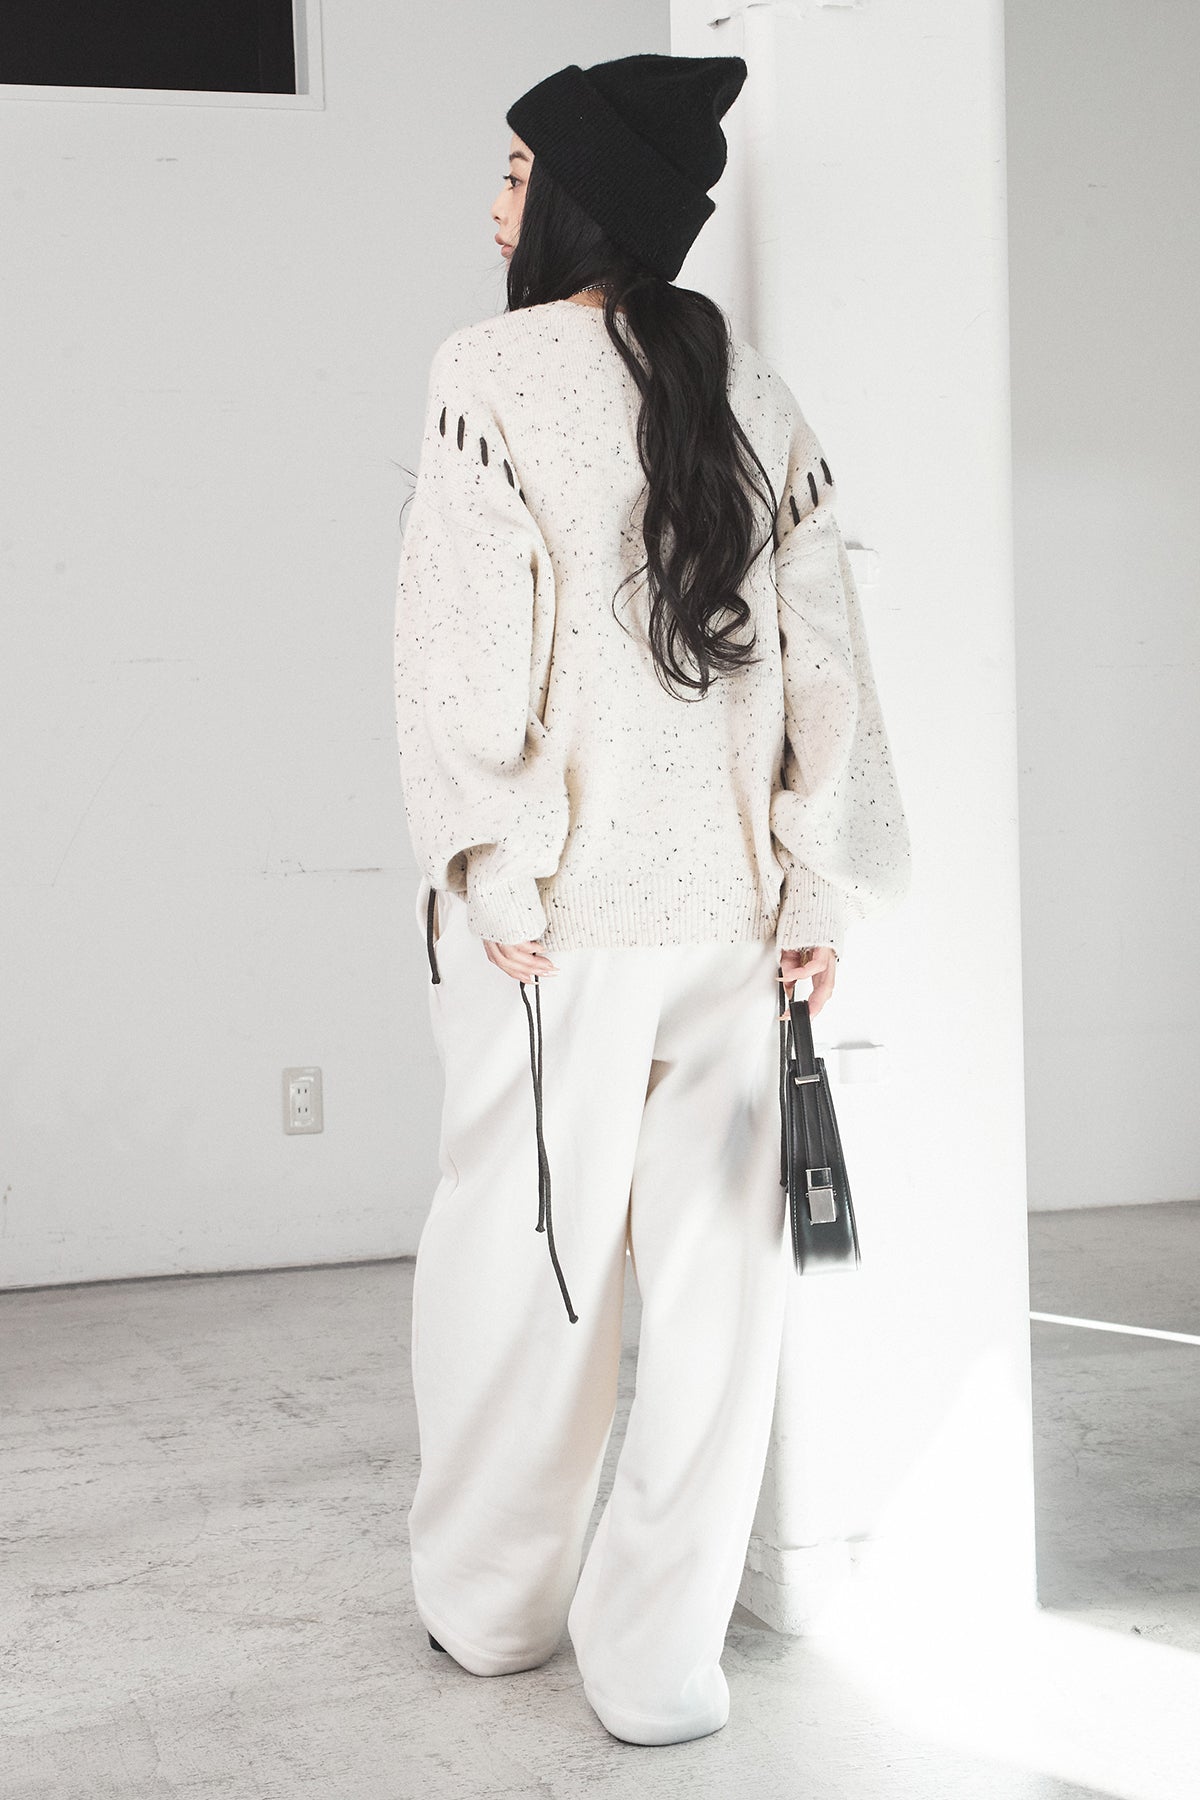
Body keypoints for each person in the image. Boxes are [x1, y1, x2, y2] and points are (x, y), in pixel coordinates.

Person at [393, 52, 912, 1747]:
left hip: (557, 927)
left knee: (526, 1268)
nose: (494, 204)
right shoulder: (750, 387)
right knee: (717, 1302)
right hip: (741, 928)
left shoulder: (487, 375)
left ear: (576, 198)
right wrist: (817, 879)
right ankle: (658, 1666)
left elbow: (468, 648)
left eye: (514, 172)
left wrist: (493, 855)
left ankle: (494, 1607)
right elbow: (827, 658)